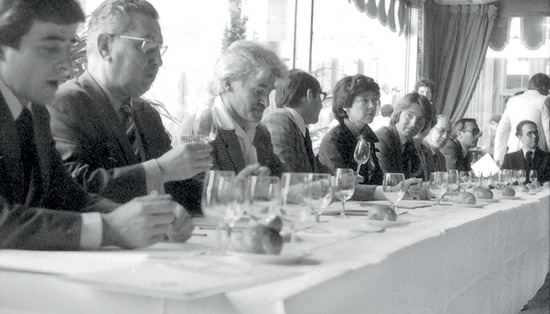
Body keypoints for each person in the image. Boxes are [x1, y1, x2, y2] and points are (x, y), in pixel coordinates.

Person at [0, 0, 192, 250]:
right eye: (49, 48)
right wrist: (107, 228)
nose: (66, 66)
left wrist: (145, 218)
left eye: (68, 49)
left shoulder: (35, 111)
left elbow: (66, 196)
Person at [48, 0, 212, 215]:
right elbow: (73, 189)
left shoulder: (145, 114)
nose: (158, 61)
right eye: (147, 46)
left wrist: (232, 193)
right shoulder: (64, 103)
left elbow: (176, 186)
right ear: (105, 46)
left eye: (159, 49)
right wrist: (159, 170)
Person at [192, 40, 287, 177]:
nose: (266, 103)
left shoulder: (261, 133)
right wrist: (243, 188)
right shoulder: (200, 129)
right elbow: (200, 193)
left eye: (269, 92)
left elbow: (282, 180)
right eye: (258, 91)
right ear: (228, 83)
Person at [318, 74, 384, 186]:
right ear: (345, 105)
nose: (372, 106)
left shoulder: (367, 138)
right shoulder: (333, 140)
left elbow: (376, 181)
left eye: (374, 100)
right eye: (364, 100)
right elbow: (341, 185)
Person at [262, 69, 330, 173]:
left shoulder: (298, 126)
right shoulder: (278, 121)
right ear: (310, 95)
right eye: (321, 96)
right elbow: (286, 177)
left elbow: (316, 171)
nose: (321, 105)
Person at [494, 73, 550, 165]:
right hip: (537, 156)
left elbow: (502, 131)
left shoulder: (512, 101)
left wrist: (498, 157)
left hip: (513, 154)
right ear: (544, 87)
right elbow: (548, 131)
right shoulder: (544, 100)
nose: (548, 92)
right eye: (548, 89)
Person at [375, 92, 434, 179]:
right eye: (409, 115)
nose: (413, 123)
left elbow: (416, 179)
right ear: (399, 112)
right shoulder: (382, 138)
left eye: (420, 119)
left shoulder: (410, 143)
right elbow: (388, 182)